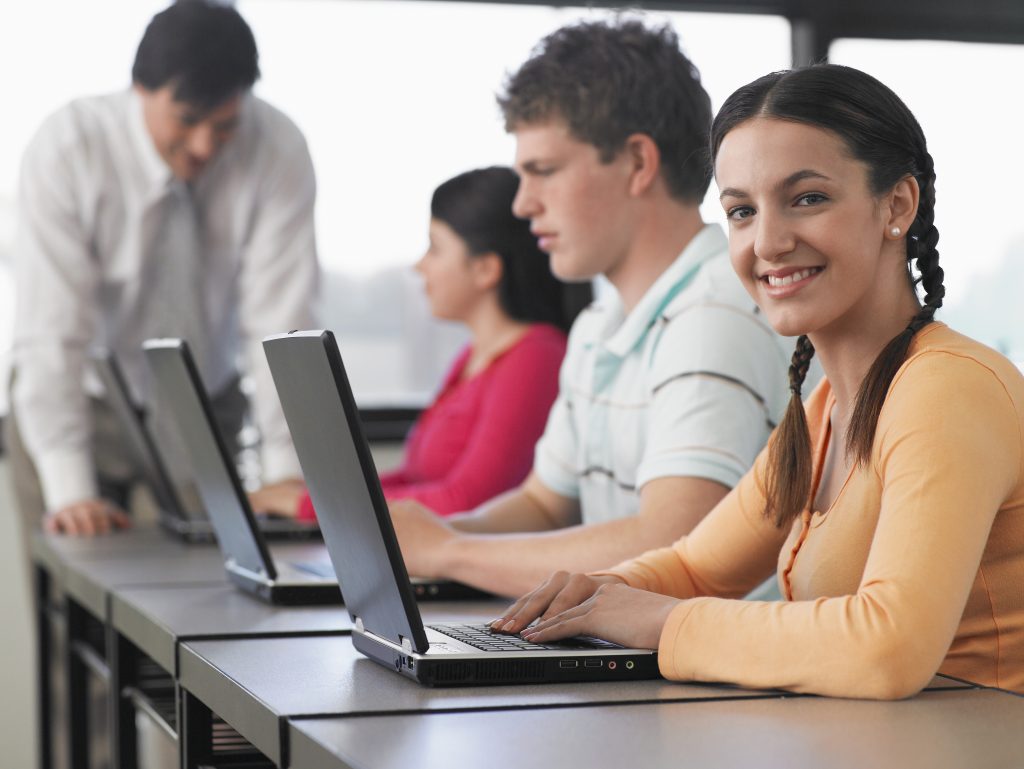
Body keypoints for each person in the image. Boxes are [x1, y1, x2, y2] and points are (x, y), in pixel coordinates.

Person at [492, 64, 1024, 699]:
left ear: (897, 205)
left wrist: (661, 621)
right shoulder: (827, 407)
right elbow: (695, 566)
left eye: (807, 199)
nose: (767, 242)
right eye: (741, 211)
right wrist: (585, 598)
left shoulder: (947, 387)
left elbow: (889, 647)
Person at [388, 19, 791, 598]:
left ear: (637, 164)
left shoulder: (716, 308)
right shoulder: (598, 325)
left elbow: (673, 542)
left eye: (544, 172)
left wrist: (450, 552)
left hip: (722, 672)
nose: (524, 204)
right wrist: (427, 539)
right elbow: (544, 503)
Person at [6, 0, 318, 536]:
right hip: (82, 395)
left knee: (218, 586)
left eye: (223, 128)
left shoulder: (276, 148)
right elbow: (52, 329)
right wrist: (71, 490)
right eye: (187, 120)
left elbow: (281, 324)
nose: (203, 146)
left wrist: (286, 474)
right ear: (141, 90)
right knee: (75, 584)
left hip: (206, 397)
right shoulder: (69, 146)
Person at [250, 166, 585, 518]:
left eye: (435, 249)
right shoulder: (472, 357)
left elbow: (466, 502)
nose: (419, 266)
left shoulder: (535, 359)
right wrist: (322, 494)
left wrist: (311, 507)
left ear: (485, 269)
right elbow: (416, 479)